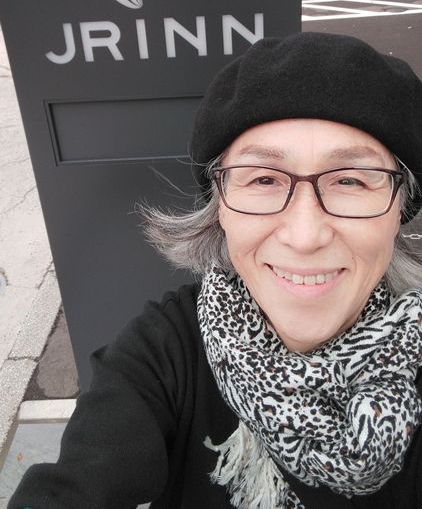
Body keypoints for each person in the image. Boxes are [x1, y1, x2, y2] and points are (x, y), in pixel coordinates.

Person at [8, 31, 422, 509]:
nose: (305, 235)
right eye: (263, 179)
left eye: (349, 180)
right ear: (220, 209)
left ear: (401, 206)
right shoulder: (165, 354)